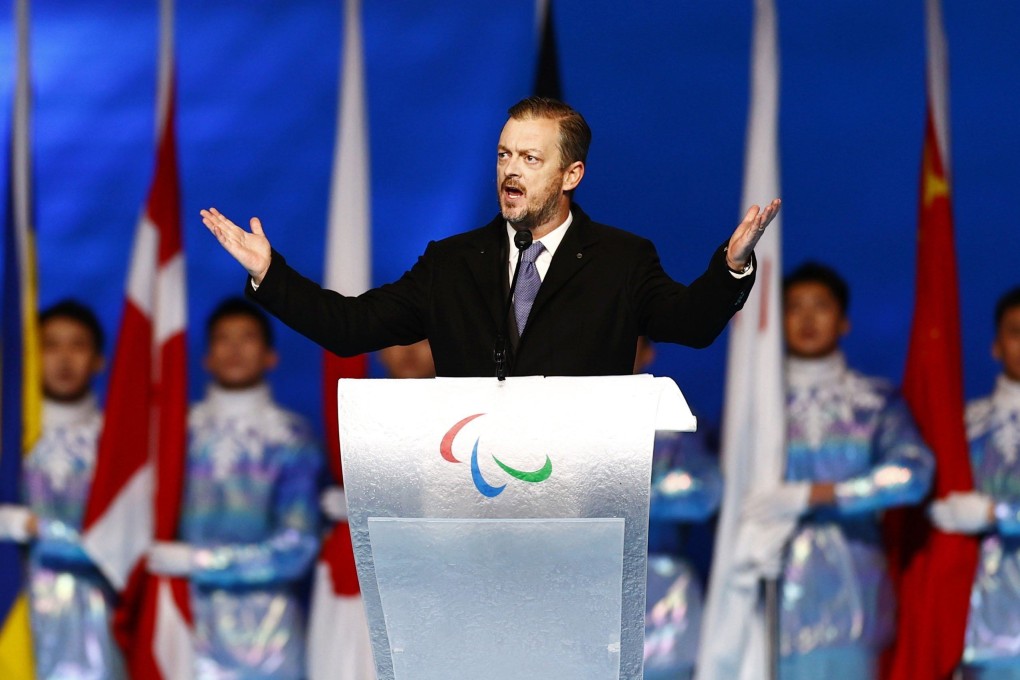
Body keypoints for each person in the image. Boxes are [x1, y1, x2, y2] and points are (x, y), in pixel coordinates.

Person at [201, 97, 780, 377]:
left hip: (578, 508)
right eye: (504, 155)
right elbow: (350, 329)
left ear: (570, 175)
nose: (511, 170)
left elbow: (691, 325)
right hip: (472, 504)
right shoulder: (452, 264)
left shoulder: (621, 260)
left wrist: (731, 267)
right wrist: (269, 273)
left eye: (531, 158)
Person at [740, 262, 934, 679]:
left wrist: (816, 495)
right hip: (768, 595)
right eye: (795, 307)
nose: (808, 319)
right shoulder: (753, 404)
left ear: (843, 321)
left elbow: (913, 473)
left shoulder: (873, 402)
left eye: (821, 306)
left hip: (852, 605)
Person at [147, 298, 323, 679]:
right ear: (206, 358)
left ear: (270, 356)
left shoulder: (292, 437)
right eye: (223, 339)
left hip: (269, 642)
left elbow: (296, 548)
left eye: (247, 338)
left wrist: (198, 561)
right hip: (188, 628)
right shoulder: (175, 433)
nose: (235, 349)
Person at [0, 300, 126, 678]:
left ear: (99, 360)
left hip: (94, 628)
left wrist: (31, 528)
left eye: (77, 345)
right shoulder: (9, 439)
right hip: (12, 618)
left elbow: (124, 542)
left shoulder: (119, 444)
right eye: (50, 345)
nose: (64, 358)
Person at [931, 286, 1020, 680]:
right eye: (1016, 332)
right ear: (996, 346)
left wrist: (993, 512)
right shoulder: (963, 427)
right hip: (978, 634)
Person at [635, 337, 722, 680]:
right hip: (577, 590)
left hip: (663, 600)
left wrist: (612, 495)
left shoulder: (677, 419)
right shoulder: (558, 417)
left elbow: (706, 492)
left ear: (649, 351)